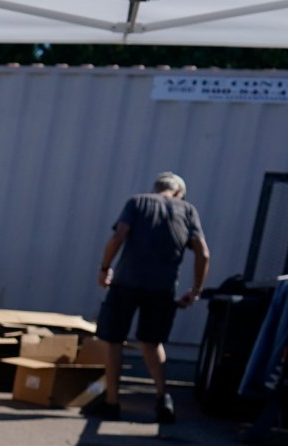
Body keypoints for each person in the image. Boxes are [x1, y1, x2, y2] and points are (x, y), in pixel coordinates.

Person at [88, 171, 210, 424]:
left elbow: (118, 237)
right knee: (152, 342)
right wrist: (196, 290)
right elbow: (203, 254)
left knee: (114, 341)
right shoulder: (188, 210)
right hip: (162, 287)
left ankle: (112, 402)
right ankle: (163, 398)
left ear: (157, 188)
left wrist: (104, 268)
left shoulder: (137, 202)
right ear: (178, 192)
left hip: (127, 282)